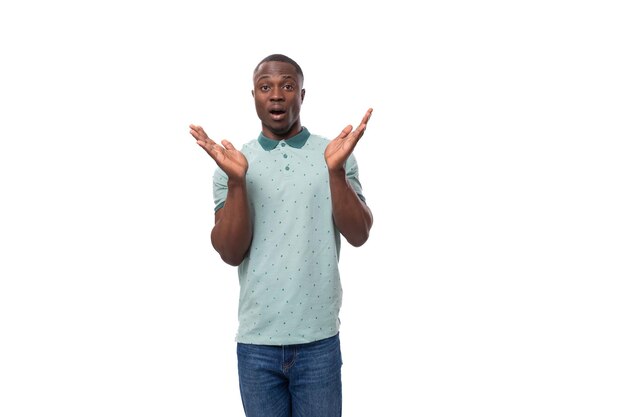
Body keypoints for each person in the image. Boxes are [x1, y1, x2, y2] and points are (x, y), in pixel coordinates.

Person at [189, 53, 373, 417]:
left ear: (302, 96)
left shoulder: (335, 154)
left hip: (318, 342)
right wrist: (238, 182)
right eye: (265, 87)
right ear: (254, 96)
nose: (276, 95)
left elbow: (359, 234)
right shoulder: (233, 164)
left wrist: (335, 173)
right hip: (257, 345)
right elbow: (229, 252)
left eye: (287, 86)